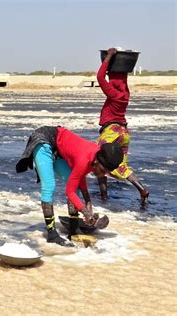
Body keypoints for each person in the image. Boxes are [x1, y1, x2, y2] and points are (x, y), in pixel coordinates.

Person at [16, 126, 123, 246]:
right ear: (97, 162)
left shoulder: (94, 157)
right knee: (49, 186)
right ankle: (51, 233)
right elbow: (69, 191)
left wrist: (87, 200)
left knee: (76, 186)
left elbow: (79, 176)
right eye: (103, 171)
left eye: (106, 172)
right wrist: (86, 212)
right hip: (44, 140)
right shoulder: (85, 159)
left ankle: (73, 229)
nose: (103, 175)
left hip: (58, 148)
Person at [96, 48, 149, 206]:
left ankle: (103, 196)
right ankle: (142, 189)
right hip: (124, 132)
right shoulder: (125, 92)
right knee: (121, 165)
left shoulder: (114, 93)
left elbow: (99, 77)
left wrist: (109, 57)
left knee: (98, 159)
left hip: (112, 132)